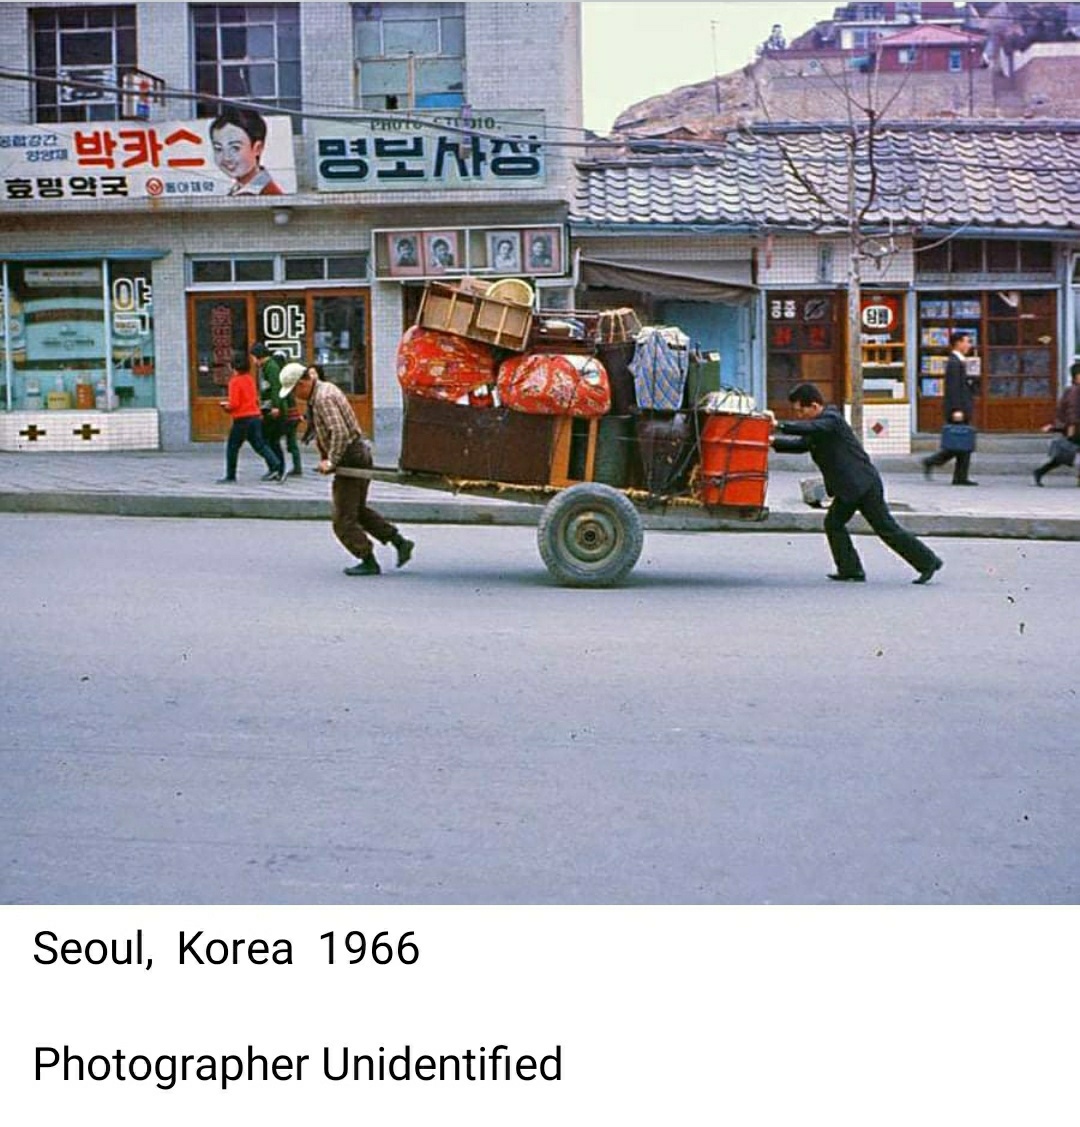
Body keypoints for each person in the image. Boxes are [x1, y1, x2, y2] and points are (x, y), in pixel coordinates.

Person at [772, 382, 943, 584]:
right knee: (836, 524)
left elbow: (813, 428)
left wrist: (780, 425)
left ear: (815, 405)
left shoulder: (831, 419)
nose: (799, 415)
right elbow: (801, 445)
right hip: (850, 487)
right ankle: (851, 569)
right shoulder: (819, 426)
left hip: (861, 484)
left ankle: (926, 562)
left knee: (883, 527)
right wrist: (772, 442)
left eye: (801, 411)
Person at [279, 362, 414, 576]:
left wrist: (331, 461)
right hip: (357, 453)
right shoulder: (323, 390)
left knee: (342, 518)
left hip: (350, 456)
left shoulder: (323, 398)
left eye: (295, 391)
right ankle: (399, 542)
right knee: (356, 510)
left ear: (303, 383)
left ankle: (368, 560)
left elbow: (340, 432)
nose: (296, 396)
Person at [216, 350, 286, 484]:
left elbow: (235, 403)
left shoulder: (234, 381)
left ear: (232, 366)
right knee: (259, 445)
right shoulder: (249, 379)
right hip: (254, 416)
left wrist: (226, 407)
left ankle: (231, 475)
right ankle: (276, 464)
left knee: (232, 447)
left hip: (242, 418)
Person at [922, 331, 978, 486]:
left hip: (962, 407)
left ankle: (959, 476)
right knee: (960, 442)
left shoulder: (960, 361)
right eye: (967, 341)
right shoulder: (954, 362)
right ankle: (933, 461)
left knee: (963, 443)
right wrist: (956, 409)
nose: (969, 345)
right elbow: (953, 388)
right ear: (958, 343)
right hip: (958, 408)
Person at [209, 106, 283, 197]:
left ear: (258, 148)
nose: (226, 158)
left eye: (235, 148)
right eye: (218, 149)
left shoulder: (268, 194)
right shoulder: (240, 188)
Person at [1033, 360, 1080, 486]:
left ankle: (1040, 472)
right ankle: (1040, 472)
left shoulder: (1072, 390)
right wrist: (1071, 425)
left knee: (1064, 455)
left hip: (1074, 426)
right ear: (1077, 376)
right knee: (1065, 454)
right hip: (1076, 426)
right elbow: (1072, 409)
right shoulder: (1075, 391)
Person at [251, 343, 287, 476]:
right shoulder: (265, 367)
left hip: (273, 409)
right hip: (267, 408)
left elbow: (276, 387)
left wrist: (276, 406)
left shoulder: (271, 367)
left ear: (259, 356)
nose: (253, 361)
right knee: (270, 440)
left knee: (271, 440)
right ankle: (276, 468)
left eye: (253, 358)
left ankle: (277, 468)